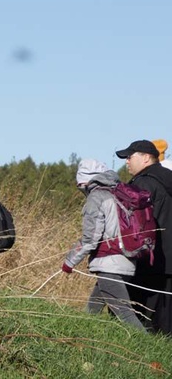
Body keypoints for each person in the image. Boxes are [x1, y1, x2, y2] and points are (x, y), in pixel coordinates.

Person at [61, 159, 145, 330]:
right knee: (93, 310)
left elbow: (90, 240)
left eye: (80, 187)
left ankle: (150, 351)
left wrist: (69, 262)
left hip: (110, 264)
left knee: (125, 314)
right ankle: (84, 338)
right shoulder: (119, 193)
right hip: (127, 259)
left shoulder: (96, 197)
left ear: (86, 182)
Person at [116, 139, 172, 334]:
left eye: (130, 157)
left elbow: (133, 223)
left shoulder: (143, 183)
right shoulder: (168, 178)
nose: (127, 162)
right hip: (169, 262)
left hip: (149, 260)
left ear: (146, 158)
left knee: (146, 321)